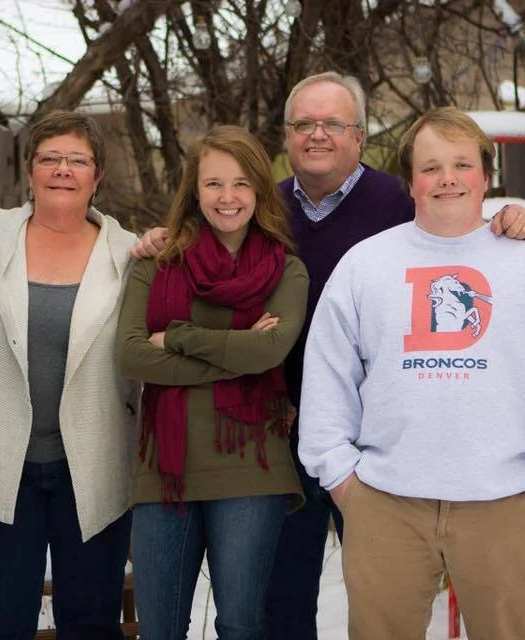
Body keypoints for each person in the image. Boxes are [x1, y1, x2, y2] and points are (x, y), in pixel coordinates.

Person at [130, 71, 525, 639]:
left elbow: (461, 228)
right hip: (277, 433)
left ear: (359, 133)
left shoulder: (403, 202)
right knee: (283, 602)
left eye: (332, 124)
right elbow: (203, 242)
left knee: (386, 603)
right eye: (304, 124)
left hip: (377, 444)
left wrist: (514, 219)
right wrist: (159, 238)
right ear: (286, 136)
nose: (317, 135)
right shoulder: (260, 210)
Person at [299, 106, 525, 639]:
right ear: (410, 183)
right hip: (386, 502)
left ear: (486, 177)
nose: (448, 179)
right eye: (431, 167)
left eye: (462, 165)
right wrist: (342, 479)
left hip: (503, 503)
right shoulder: (366, 264)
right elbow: (328, 376)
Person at [116, 125, 308, 640]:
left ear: (261, 192)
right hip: (165, 472)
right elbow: (131, 355)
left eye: (242, 184)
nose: (227, 198)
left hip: (252, 468)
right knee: (160, 630)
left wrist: (175, 336)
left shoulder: (285, 271)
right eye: (214, 184)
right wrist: (238, 349)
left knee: (241, 625)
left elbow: (271, 351)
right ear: (194, 191)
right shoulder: (155, 264)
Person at [0, 111, 137, 640]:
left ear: (97, 176)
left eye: (78, 160)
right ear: (29, 170)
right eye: (50, 158)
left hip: (94, 470)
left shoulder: (130, 254)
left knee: (90, 623)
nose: (63, 170)